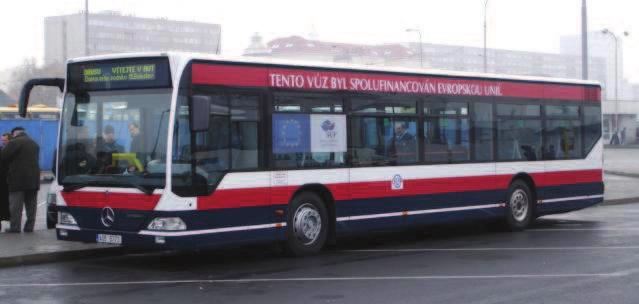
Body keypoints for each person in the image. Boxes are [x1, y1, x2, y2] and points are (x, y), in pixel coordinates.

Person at [1, 127, 40, 233]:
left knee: (16, 206)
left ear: (15, 134)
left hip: (18, 180)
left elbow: (3, 156)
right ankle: (29, 227)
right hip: (33, 180)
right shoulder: (34, 143)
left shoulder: (15, 142)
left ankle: (15, 227)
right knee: (31, 206)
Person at [0, 133, 12, 227]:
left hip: (9, 181)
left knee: (10, 203)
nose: (3, 142)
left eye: (5, 140)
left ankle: (11, 222)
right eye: (2, 140)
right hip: (2, 181)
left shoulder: (13, 151)